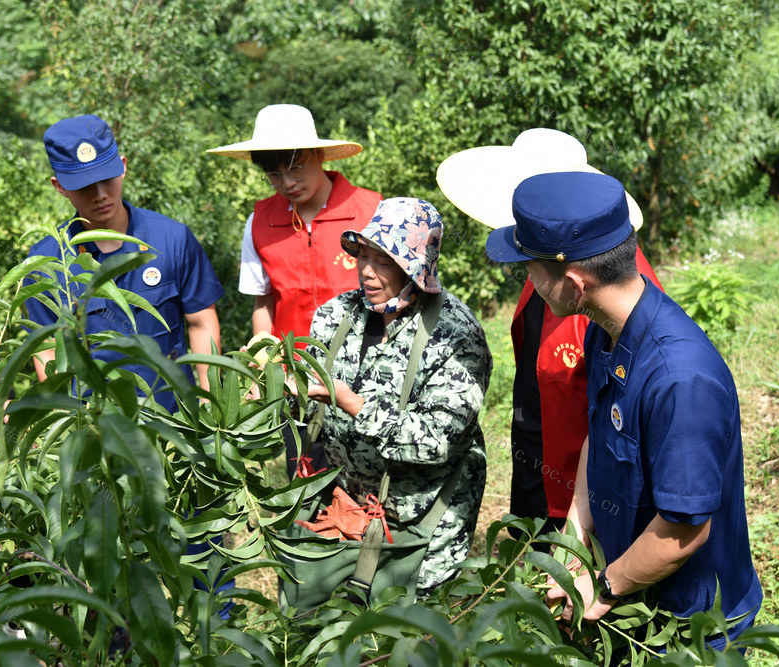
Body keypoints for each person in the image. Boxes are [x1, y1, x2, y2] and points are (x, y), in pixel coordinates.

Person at [485, 171, 762, 645]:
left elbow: (683, 531)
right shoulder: (606, 329)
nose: (525, 278)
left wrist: (604, 586)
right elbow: (599, 433)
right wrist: (575, 539)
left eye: (530, 267)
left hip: (687, 625)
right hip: (635, 596)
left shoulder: (680, 379)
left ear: (573, 282)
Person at [437, 129, 663, 543]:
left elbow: (623, 415)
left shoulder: (611, 284)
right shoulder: (544, 263)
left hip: (584, 484)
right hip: (539, 447)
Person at [304, 197, 492, 596]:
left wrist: (353, 404)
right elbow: (308, 395)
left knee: (413, 635)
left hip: (424, 522)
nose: (368, 273)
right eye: (363, 257)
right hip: (350, 508)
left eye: (385, 262)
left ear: (416, 268)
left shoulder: (455, 334)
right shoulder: (337, 315)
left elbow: (436, 440)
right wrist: (271, 390)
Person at [25, 114, 223, 412]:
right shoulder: (48, 264)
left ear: (123, 167)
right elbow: (49, 353)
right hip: (96, 432)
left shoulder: (172, 239)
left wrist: (213, 407)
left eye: (106, 179)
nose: (100, 194)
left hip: (176, 427)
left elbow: (201, 322)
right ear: (59, 187)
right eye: (85, 186)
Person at [207, 103, 381, 342]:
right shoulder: (260, 222)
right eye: (274, 174)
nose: (288, 183)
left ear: (318, 154)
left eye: (296, 167)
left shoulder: (372, 211)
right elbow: (264, 301)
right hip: (292, 366)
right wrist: (265, 356)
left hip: (363, 361)